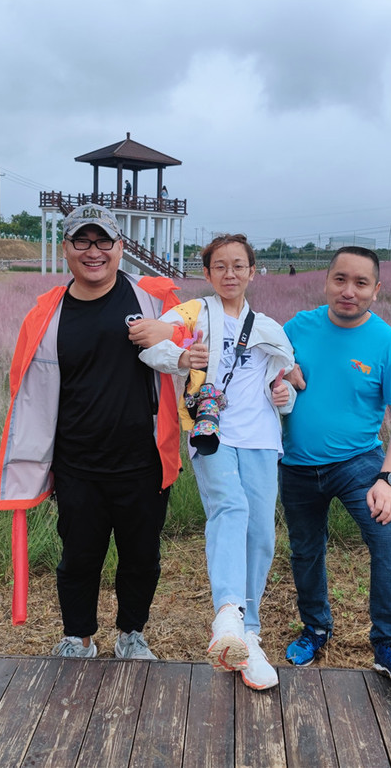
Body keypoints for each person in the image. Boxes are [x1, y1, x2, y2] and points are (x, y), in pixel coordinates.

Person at [0, 202, 184, 661]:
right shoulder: (45, 315)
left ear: (121, 247)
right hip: (77, 463)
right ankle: (77, 637)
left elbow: (198, 349)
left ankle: (131, 633)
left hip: (144, 460)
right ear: (66, 249)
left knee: (141, 558)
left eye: (103, 240)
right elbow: (25, 388)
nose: (93, 251)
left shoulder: (156, 301)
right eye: (82, 240)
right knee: (78, 557)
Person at [135, 233, 295, 691]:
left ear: (251, 271)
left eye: (238, 265)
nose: (230, 274)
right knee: (231, 508)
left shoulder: (268, 326)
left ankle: (249, 632)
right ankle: (227, 615)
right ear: (206, 273)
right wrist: (183, 354)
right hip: (212, 431)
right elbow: (148, 346)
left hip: (262, 437)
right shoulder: (190, 313)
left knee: (261, 531)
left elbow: (283, 384)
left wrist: (284, 397)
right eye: (219, 266)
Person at [278, 246, 391, 683]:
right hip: (296, 465)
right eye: (340, 279)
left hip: (359, 463)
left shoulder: (389, 344)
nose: (349, 291)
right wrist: (280, 378)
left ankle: (390, 645)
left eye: (361, 283)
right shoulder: (295, 329)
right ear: (326, 282)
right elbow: (265, 374)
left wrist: (388, 479)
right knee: (305, 549)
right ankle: (316, 628)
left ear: (376, 290)